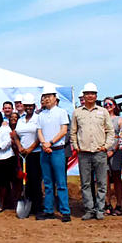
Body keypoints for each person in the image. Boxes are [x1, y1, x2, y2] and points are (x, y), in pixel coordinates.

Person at [70, 82, 115, 221]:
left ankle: (100, 209)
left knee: (102, 183)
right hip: (83, 153)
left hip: (99, 152)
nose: (90, 96)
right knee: (86, 183)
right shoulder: (77, 112)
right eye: (87, 93)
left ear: (96, 96)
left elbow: (110, 131)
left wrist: (106, 146)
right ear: (83, 96)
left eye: (92, 93)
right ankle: (89, 209)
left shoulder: (103, 112)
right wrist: (76, 146)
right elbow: (73, 132)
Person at [37, 85, 71, 222]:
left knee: (61, 182)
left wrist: (50, 143)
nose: (46, 99)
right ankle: (49, 210)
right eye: (44, 97)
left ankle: (65, 211)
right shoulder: (41, 114)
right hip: (44, 151)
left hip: (57, 150)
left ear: (55, 98)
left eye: (49, 96)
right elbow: (39, 131)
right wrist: (44, 144)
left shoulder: (61, 112)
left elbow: (63, 131)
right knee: (48, 182)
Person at [12, 93, 43, 216]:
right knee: (26, 181)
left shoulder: (38, 118)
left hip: (35, 154)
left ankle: (38, 208)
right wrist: (19, 147)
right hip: (23, 155)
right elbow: (15, 135)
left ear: (34, 106)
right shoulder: (20, 120)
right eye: (26, 106)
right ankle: (28, 206)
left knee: (36, 181)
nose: (29, 108)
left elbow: (40, 136)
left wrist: (30, 148)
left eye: (31, 106)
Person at [0, 112, 17, 212]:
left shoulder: (5, 127)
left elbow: (7, 142)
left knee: (6, 182)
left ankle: (7, 203)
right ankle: (2, 202)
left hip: (6, 158)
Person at [103, 97, 122, 216]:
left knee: (117, 178)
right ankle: (107, 203)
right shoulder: (101, 120)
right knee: (104, 179)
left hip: (116, 152)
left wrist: (113, 150)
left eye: (110, 104)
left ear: (115, 106)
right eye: (105, 104)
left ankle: (119, 204)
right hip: (104, 150)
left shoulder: (120, 120)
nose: (107, 106)